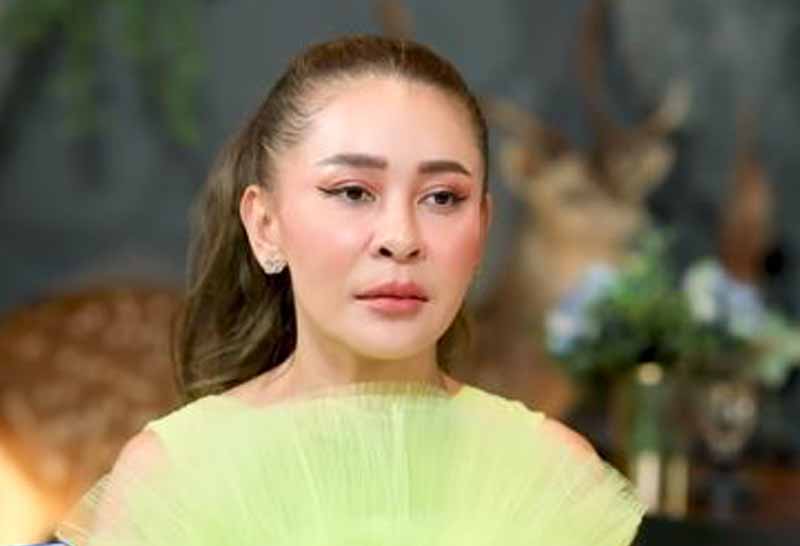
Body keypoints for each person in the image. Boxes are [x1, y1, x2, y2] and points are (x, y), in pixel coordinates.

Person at [55, 35, 644, 545]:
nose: (400, 238)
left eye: (442, 198)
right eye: (353, 192)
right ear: (265, 225)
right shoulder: (173, 479)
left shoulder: (555, 479)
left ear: (482, 229)